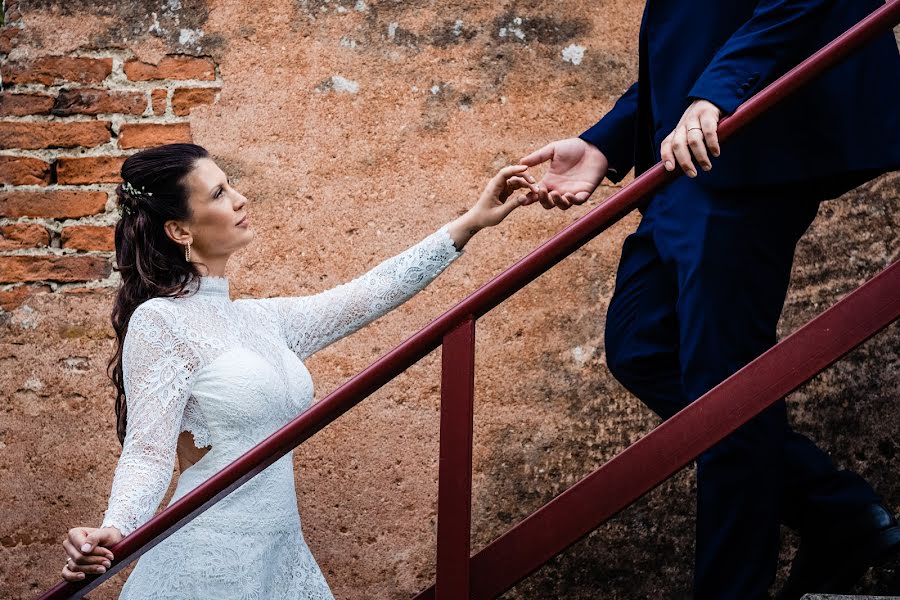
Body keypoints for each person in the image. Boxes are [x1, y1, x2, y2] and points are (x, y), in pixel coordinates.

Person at [520, 0, 900, 598]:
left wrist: (721, 92)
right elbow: (697, 39)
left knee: (722, 388)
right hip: (691, 163)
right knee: (641, 343)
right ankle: (837, 510)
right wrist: (606, 142)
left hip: (747, 149)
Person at [59, 143, 537, 598]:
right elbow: (148, 453)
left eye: (231, 184)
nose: (240, 198)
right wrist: (114, 528)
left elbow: (369, 294)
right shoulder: (161, 322)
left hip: (279, 557)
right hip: (204, 565)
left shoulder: (264, 320)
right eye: (219, 193)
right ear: (180, 231)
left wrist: (471, 222)